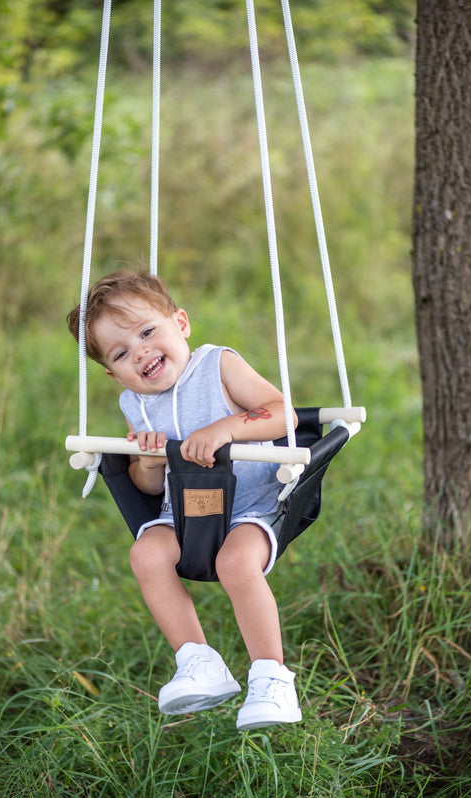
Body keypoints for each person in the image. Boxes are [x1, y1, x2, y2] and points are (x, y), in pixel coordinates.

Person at [67, 269, 302, 731]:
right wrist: (149, 463)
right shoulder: (135, 404)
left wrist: (226, 427)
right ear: (115, 376)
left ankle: (272, 679)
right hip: (185, 514)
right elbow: (148, 489)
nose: (141, 352)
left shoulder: (217, 365)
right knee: (146, 552)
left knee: (237, 564)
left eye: (148, 331)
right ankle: (199, 661)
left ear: (182, 323)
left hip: (252, 510)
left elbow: (283, 412)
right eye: (122, 353)